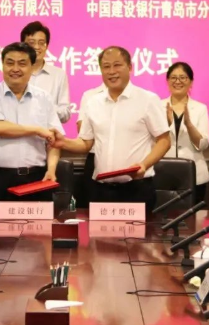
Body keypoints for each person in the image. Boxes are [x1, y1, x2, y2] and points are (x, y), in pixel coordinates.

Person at [51, 46, 170, 211]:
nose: (111, 71)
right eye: (106, 67)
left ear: (130, 67)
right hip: (100, 190)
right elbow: (85, 143)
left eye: (117, 65)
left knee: (140, 229)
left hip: (136, 189)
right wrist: (63, 142)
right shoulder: (93, 102)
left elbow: (164, 141)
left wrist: (144, 164)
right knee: (99, 229)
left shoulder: (148, 100)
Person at [0, 42, 65, 204]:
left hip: (36, 178)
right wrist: (37, 130)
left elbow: (54, 140)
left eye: (22, 64)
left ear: (32, 67)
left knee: (36, 221)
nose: (15, 69)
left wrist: (51, 169)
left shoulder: (44, 98)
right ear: (2, 65)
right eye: (10, 63)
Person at [161, 62, 209, 204]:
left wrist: (189, 124)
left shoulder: (200, 108)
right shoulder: (157, 106)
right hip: (163, 173)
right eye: (173, 78)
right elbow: (152, 142)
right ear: (167, 81)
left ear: (191, 82)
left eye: (183, 77)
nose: (178, 81)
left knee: (193, 216)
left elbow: (202, 145)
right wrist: (166, 125)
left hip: (194, 174)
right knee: (163, 215)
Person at [21, 21, 71, 123]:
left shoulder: (58, 74)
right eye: (31, 43)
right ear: (22, 45)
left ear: (47, 46)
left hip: (48, 132)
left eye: (41, 43)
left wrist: (45, 108)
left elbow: (65, 113)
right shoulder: (16, 73)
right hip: (19, 131)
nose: (36, 47)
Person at [75, 84, 105, 208]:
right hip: (95, 156)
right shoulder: (90, 96)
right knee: (93, 209)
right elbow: (83, 131)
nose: (112, 73)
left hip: (130, 162)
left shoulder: (143, 98)